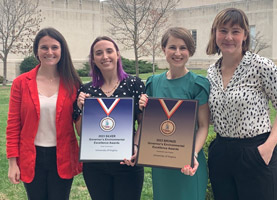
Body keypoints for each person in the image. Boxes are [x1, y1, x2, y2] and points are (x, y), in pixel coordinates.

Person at [206, 8, 277, 200]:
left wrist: (267, 147)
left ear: (245, 35)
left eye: (235, 31)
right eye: (223, 30)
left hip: (256, 151)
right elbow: (209, 117)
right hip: (221, 154)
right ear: (215, 33)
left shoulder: (262, 66)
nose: (229, 36)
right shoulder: (211, 73)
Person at [6, 27, 82, 200]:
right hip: (32, 157)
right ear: (36, 51)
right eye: (44, 47)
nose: (49, 52)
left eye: (54, 47)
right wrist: (12, 163)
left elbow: (80, 123)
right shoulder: (21, 83)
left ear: (62, 50)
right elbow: (13, 125)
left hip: (63, 156)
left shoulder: (73, 83)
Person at [139, 27, 210, 200]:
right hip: (161, 162)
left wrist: (192, 154)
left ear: (190, 52)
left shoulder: (198, 84)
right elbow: (146, 125)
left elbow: (203, 126)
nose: (177, 53)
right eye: (172, 47)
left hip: (188, 162)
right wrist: (144, 109)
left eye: (183, 48)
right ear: (164, 49)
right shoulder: (153, 83)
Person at [73, 36, 145, 200]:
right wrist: (81, 108)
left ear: (118, 54)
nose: (104, 56)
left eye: (109, 51)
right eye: (98, 53)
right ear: (93, 59)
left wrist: (136, 146)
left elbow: (143, 121)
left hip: (127, 162)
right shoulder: (86, 90)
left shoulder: (134, 84)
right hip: (95, 166)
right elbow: (80, 132)